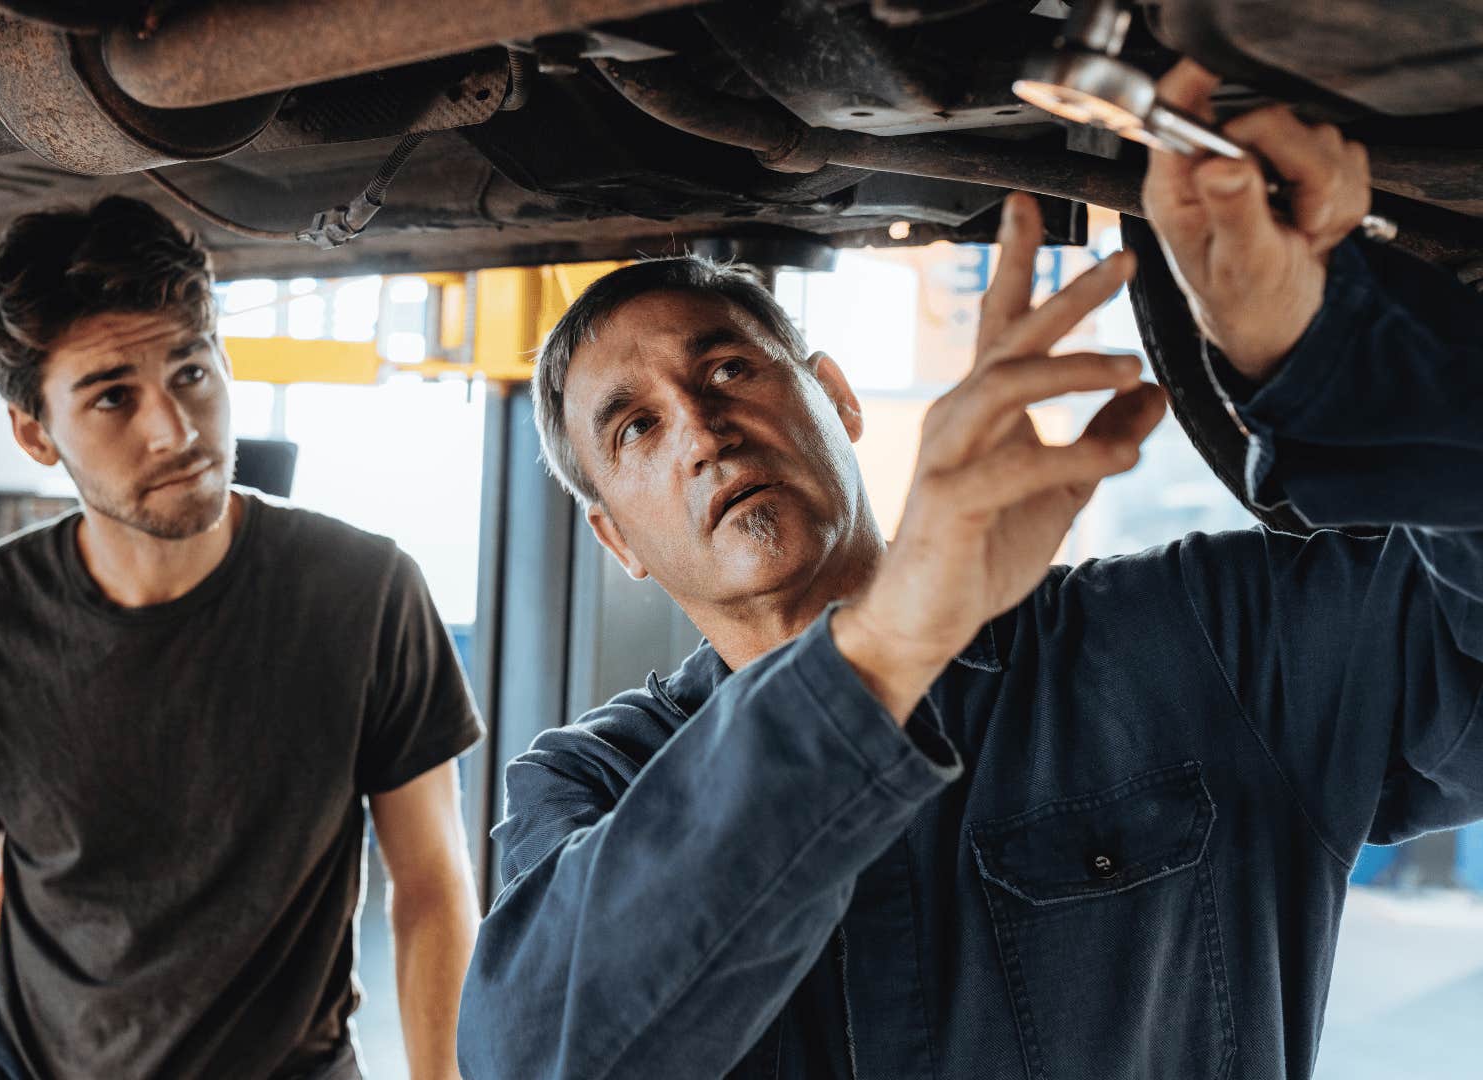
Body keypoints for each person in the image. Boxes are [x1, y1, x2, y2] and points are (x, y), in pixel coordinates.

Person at [458, 60, 1483, 1080]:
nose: (703, 432)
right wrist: (887, 643)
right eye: (636, 427)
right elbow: (540, 1053)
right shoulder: (593, 782)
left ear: (839, 402)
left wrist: (1331, 357)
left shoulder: (1195, 642)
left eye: (728, 369)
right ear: (617, 542)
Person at [0, 196, 484, 1080]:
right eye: (111, 397)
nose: (174, 431)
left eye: (190, 372)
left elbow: (433, 888)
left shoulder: (364, 594)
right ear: (34, 433)